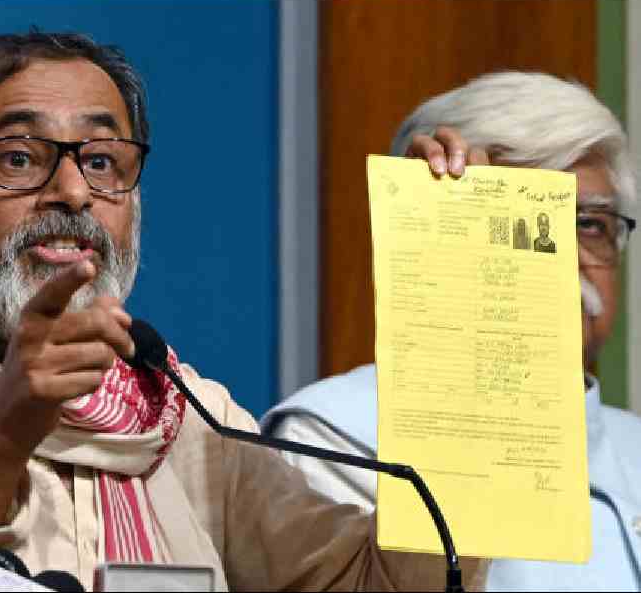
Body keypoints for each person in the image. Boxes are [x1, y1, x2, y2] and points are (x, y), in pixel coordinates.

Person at [0, 32, 486, 591]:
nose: (72, 193)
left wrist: (451, 313)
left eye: (101, 162)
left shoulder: (190, 416)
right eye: (22, 158)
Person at [262, 71, 641, 591]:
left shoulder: (635, 447)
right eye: (524, 218)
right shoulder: (333, 436)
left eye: (591, 224)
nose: (567, 257)